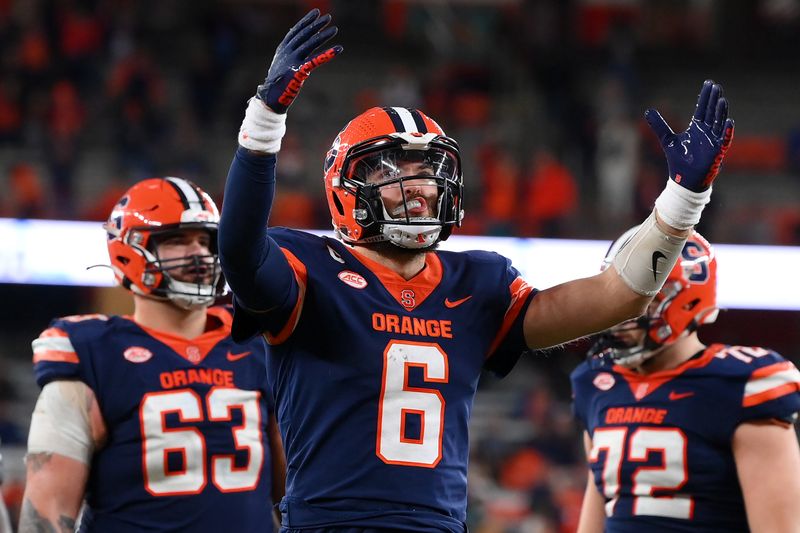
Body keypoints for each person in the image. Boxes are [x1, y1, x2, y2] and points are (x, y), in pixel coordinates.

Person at [218, 9, 734, 532]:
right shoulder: (309, 266)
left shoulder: (477, 282)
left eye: (427, 169)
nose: (417, 185)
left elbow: (616, 295)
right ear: (344, 187)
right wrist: (264, 118)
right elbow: (238, 252)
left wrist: (682, 200)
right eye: (392, 169)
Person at [19, 178, 285, 532]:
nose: (200, 255)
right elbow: (47, 511)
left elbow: (293, 494)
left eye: (205, 242)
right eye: (177, 240)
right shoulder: (94, 353)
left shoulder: (254, 343)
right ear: (129, 251)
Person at [571, 229, 800, 532]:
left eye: (643, 300)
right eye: (619, 296)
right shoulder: (597, 382)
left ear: (686, 298)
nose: (623, 313)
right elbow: (598, 508)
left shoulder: (742, 383)